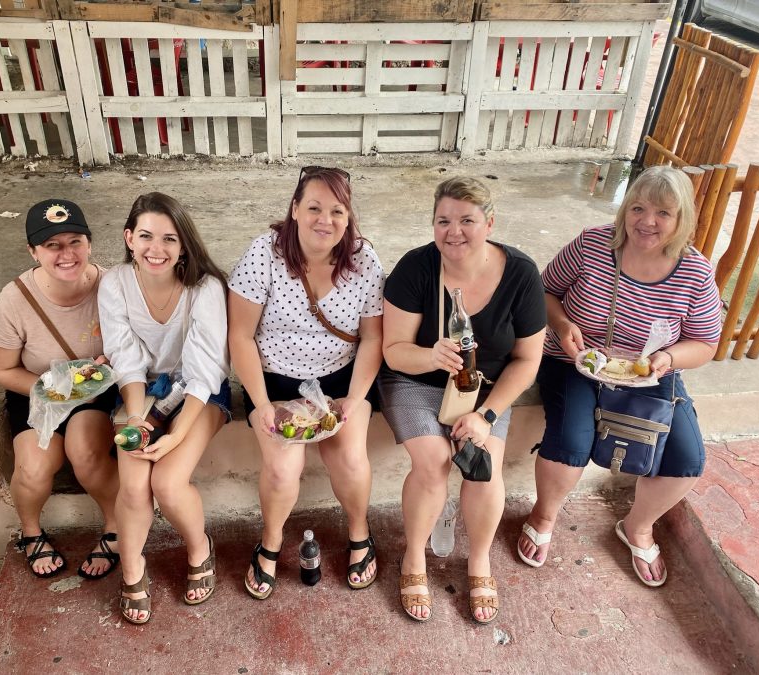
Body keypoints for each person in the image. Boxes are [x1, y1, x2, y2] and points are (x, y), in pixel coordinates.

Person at [517, 165, 722, 588]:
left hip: (648, 371)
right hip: (574, 360)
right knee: (570, 442)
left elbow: (705, 343)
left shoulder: (695, 272)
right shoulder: (593, 243)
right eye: (639, 208)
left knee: (687, 459)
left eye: (663, 213)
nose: (647, 221)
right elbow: (545, 289)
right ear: (625, 209)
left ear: (682, 219)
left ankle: (638, 527)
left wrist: (668, 356)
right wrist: (560, 325)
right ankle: (544, 514)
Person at [380, 176, 546, 624]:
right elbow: (392, 349)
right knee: (433, 460)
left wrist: (487, 416)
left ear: (489, 223)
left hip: (484, 390)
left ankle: (479, 561)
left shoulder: (521, 274)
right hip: (415, 380)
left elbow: (528, 361)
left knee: (483, 467)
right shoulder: (416, 268)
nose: (454, 231)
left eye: (467, 220)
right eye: (444, 221)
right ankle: (414, 558)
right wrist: (429, 354)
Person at [228, 166, 384, 600]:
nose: (325, 220)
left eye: (337, 210)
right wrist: (260, 404)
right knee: (282, 466)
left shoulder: (364, 260)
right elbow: (239, 335)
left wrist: (353, 400)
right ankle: (272, 541)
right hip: (277, 380)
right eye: (314, 207)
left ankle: (359, 533)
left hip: (341, 378)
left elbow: (373, 337)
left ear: (349, 217)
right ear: (295, 209)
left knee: (349, 457)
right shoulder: (264, 254)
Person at [98, 192, 232, 624]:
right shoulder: (115, 283)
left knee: (169, 483)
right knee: (135, 485)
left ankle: (199, 548)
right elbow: (125, 357)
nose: (157, 249)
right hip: (141, 392)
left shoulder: (205, 289)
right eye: (146, 236)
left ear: (184, 246)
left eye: (170, 239)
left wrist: (175, 433)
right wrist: (137, 417)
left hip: (200, 394)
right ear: (129, 239)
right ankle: (133, 569)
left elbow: (206, 368)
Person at [0, 199, 120, 581]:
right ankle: (31, 532)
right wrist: (51, 387)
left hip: (95, 391)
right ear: (33, 251)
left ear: (89, 243)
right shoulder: (16, 298)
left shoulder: (113, 286)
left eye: (75, 241)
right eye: (52, 246)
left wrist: (110, 366)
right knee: (33, 468)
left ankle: (115, 527)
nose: (66, 254)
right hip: (35, 390)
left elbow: (139, 342)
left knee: (86, 454)